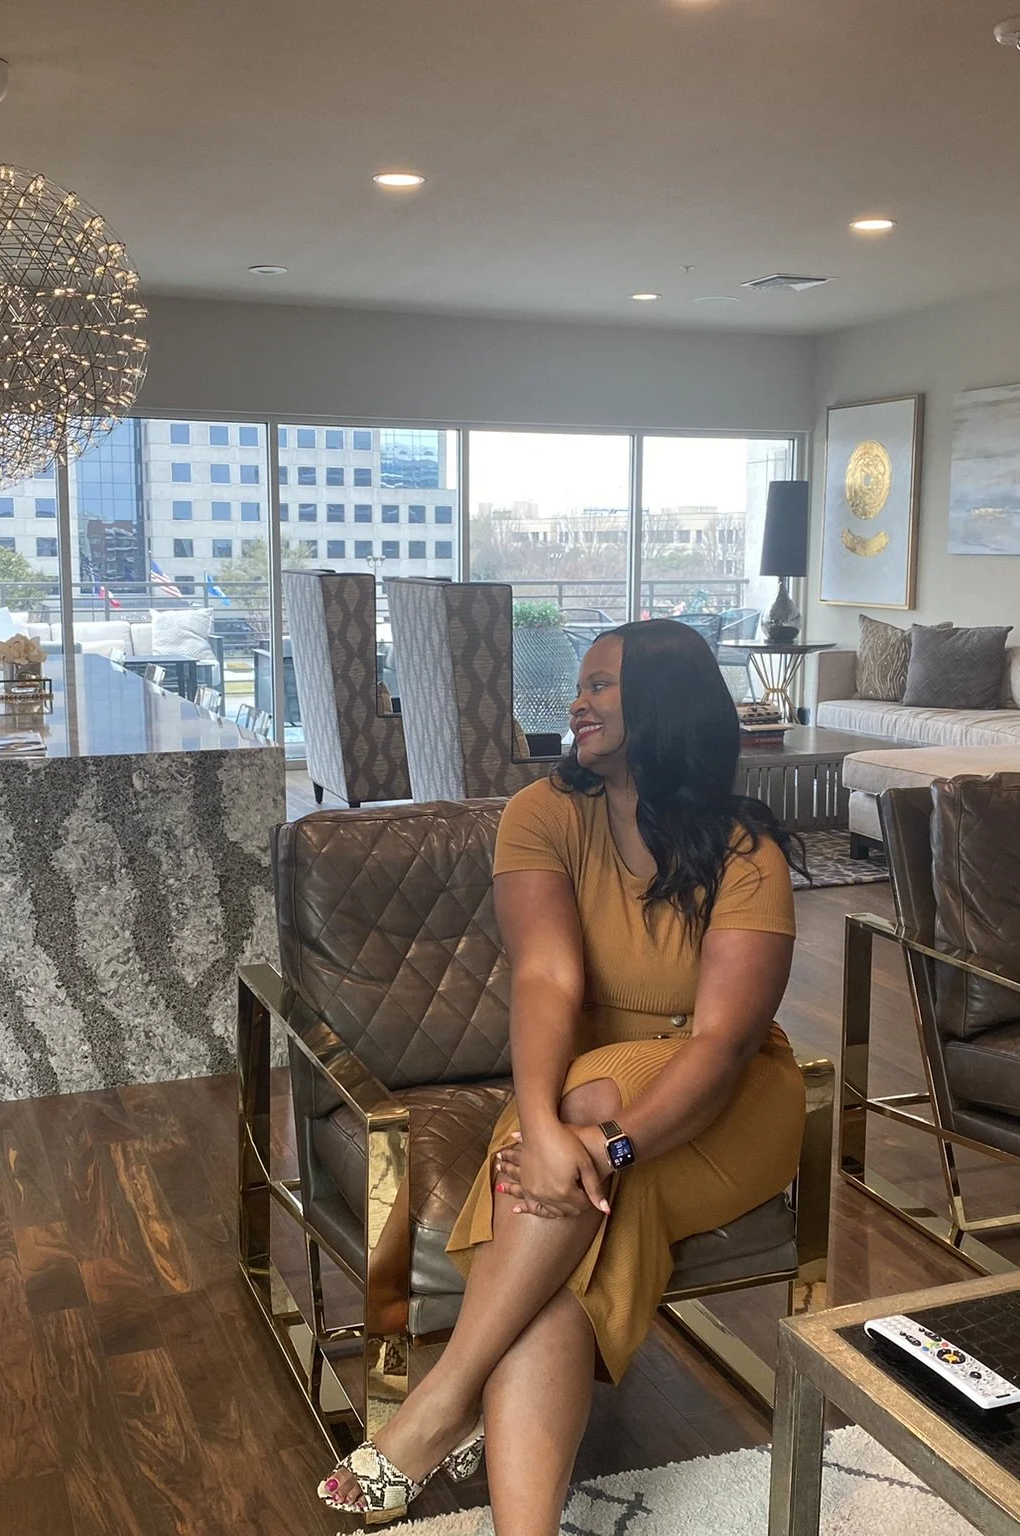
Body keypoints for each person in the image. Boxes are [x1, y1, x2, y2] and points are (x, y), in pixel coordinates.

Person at [319, 618, 807, 1529]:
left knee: (582, 1144)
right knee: (563, 1260)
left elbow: (721, 1045)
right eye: (580, 686)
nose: (576, 704)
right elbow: (546, 976)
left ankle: (441, 1401)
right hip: (586, 1101)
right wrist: (543, 1129)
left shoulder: (747, 852)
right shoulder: (543, 813)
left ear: (662, 704)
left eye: (601, 686)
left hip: (725, 1106)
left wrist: (601, 1145)